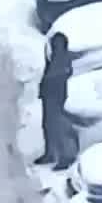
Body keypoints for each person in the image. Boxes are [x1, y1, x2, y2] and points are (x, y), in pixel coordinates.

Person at [36, 34, 75, 170]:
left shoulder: (63, 60)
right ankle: (50, 153)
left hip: (57, 96)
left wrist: (45, 85)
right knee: (48, 125)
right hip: (50, 96)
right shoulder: (54, 57)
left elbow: (55, 77)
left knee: (58, 127)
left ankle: (64, 156)